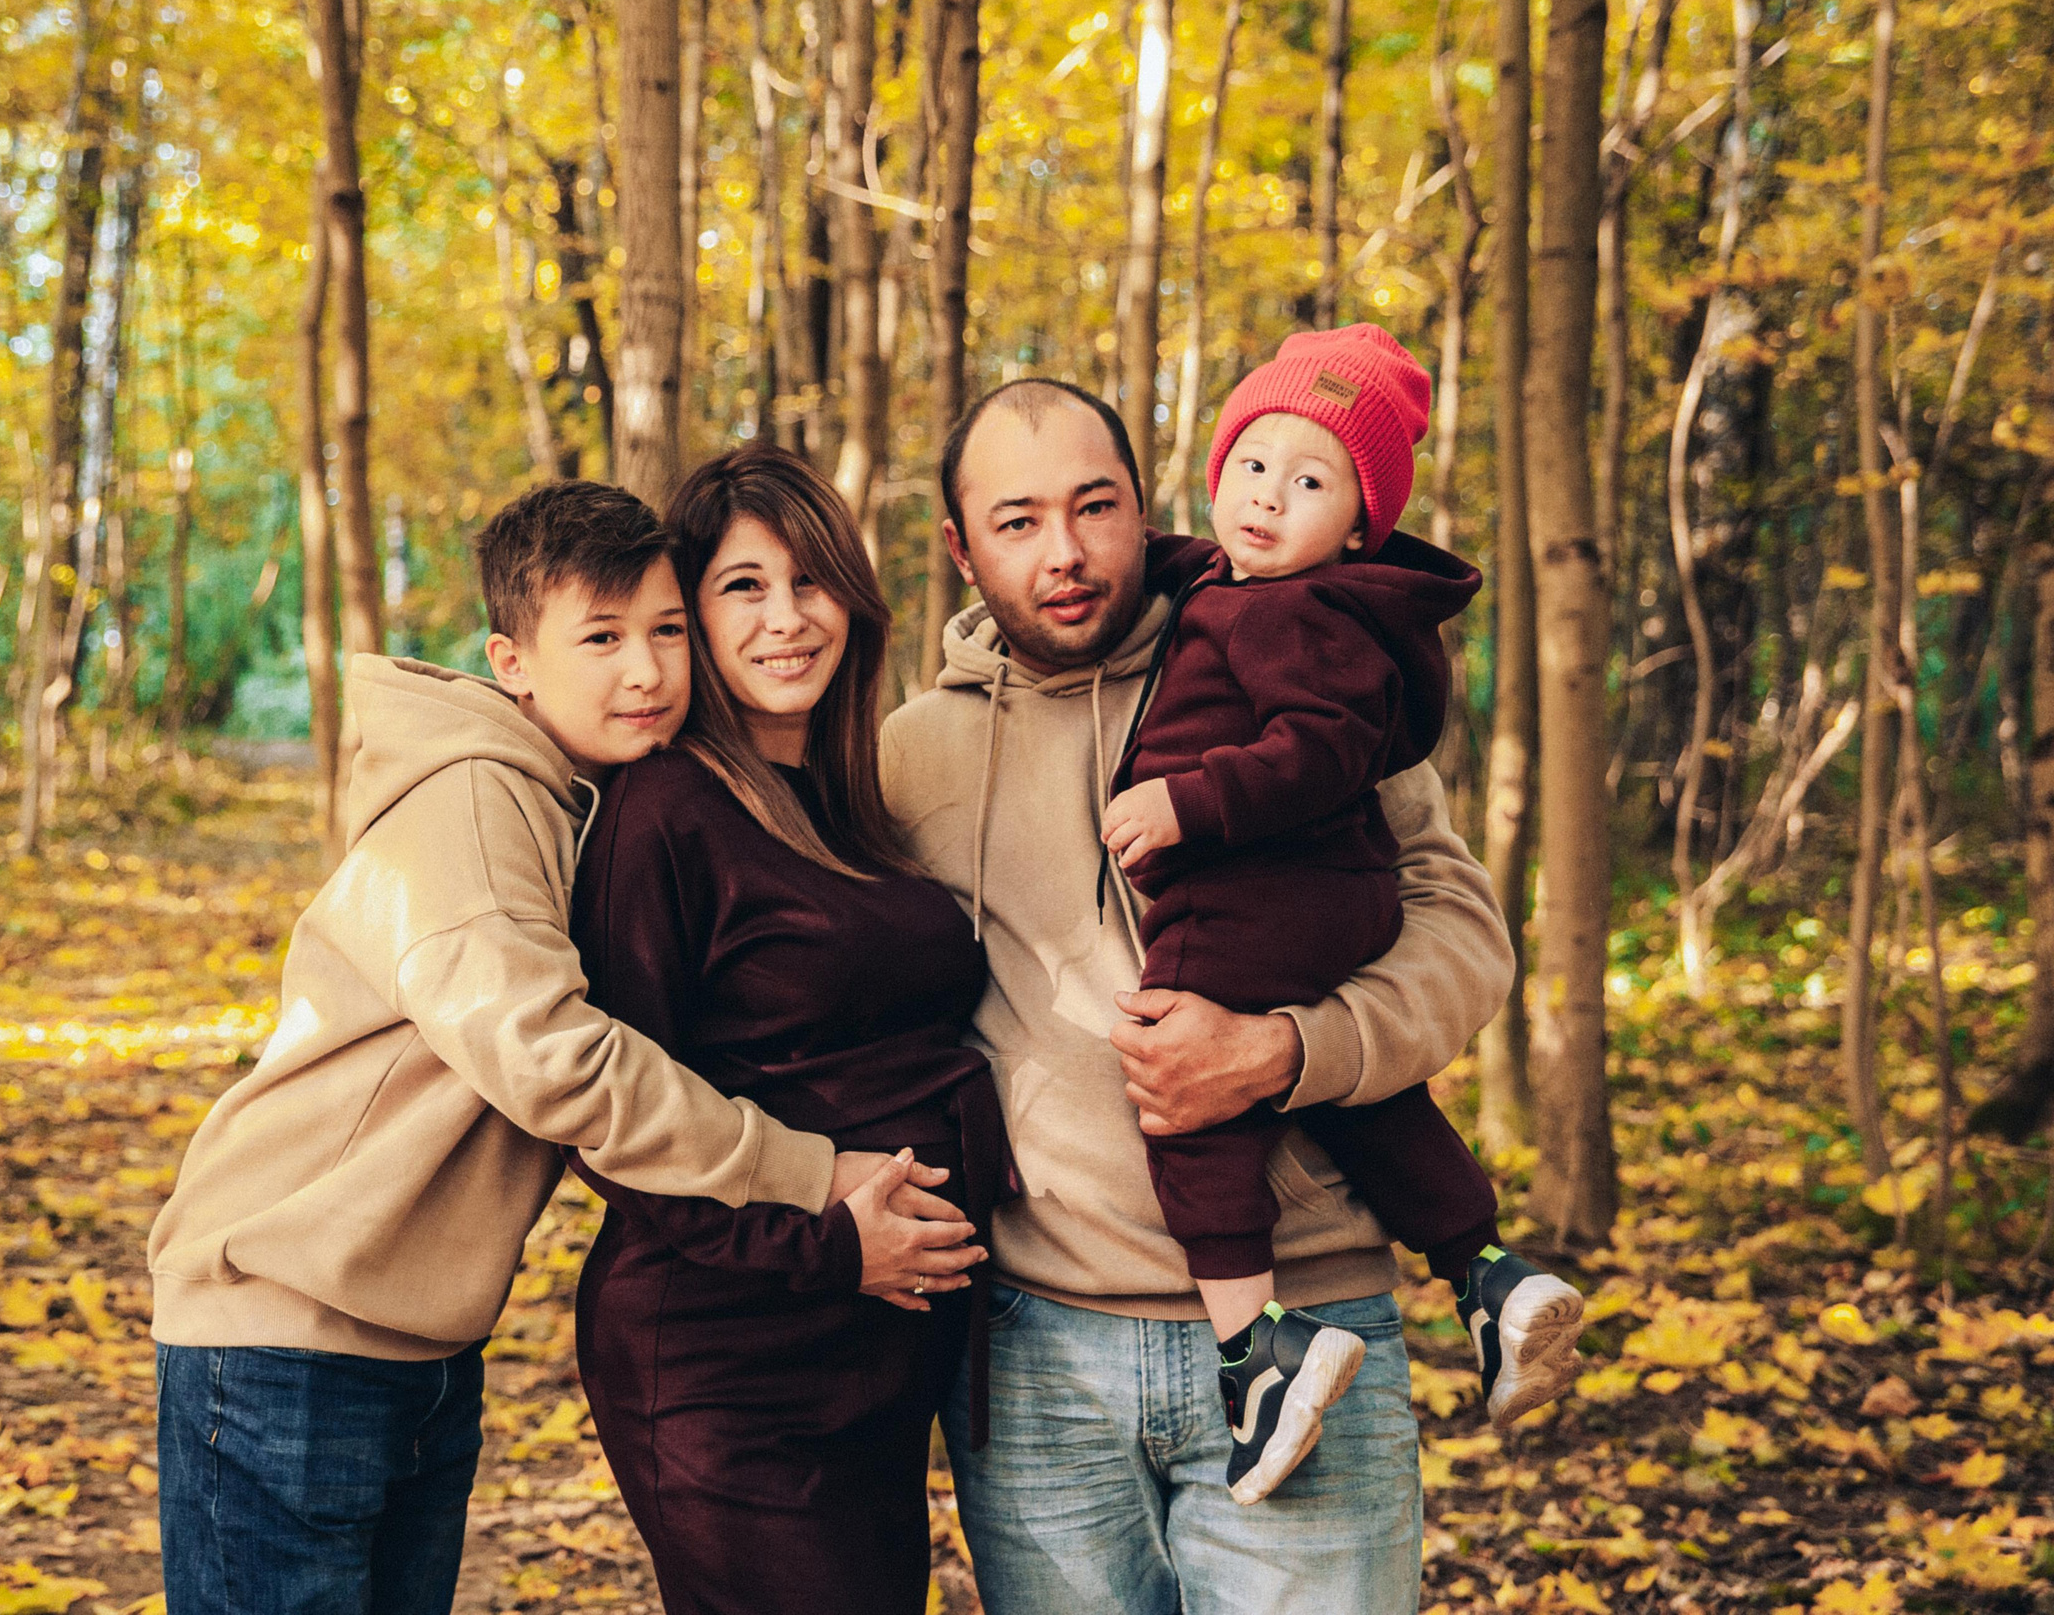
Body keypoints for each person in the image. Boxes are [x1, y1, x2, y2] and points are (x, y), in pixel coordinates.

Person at [146, 481, 973, 1615]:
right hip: (284, 1328)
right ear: (510, 661)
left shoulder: (585, 798)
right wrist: (808, 1175)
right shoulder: (476, 800)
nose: (645, 671)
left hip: (410, 1336)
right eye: (601, 639)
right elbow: (549, 1053)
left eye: (665, 632)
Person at [883, 376, 1515, 1613]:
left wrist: (1291, 1050)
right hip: (1039, 1356)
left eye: (1094, 506)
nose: (1063, 552)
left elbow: (1462, 939)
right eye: (1016, 522)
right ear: (960, 548)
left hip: (1312, 1314)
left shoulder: (1289, 653)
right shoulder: (910, 754)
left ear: (1146, 503)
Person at [1096, 325, 1585, 1505]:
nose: (1266, 497)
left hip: (1252, 889)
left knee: (1181, 1090)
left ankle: (1255, 1354)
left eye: (1309, 482)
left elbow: (1313, 754)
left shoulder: (1291, 617)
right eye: (1252, 464)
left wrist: (1185, 802)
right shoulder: (1241, 584)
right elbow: (1181, 561)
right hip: (1326, 902)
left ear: (1359, 526)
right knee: (1367, 1102)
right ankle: (1486, 1275)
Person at [566, 446, 1014, 1615]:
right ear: (692, 621)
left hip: (873, 1362)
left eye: (811, 580)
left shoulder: (845, 797)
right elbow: (617, 1123)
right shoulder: (664, 815)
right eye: (743, 588)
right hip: (732, 1362)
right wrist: (829, 1251)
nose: (787, 619)